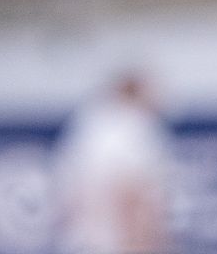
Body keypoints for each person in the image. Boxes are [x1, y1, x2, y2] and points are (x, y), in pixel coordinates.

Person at [53, 71, 176, 254]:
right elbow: (131, 195)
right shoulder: (134, 127)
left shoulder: (88, 124)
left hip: (83, 240)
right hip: (118, 240)